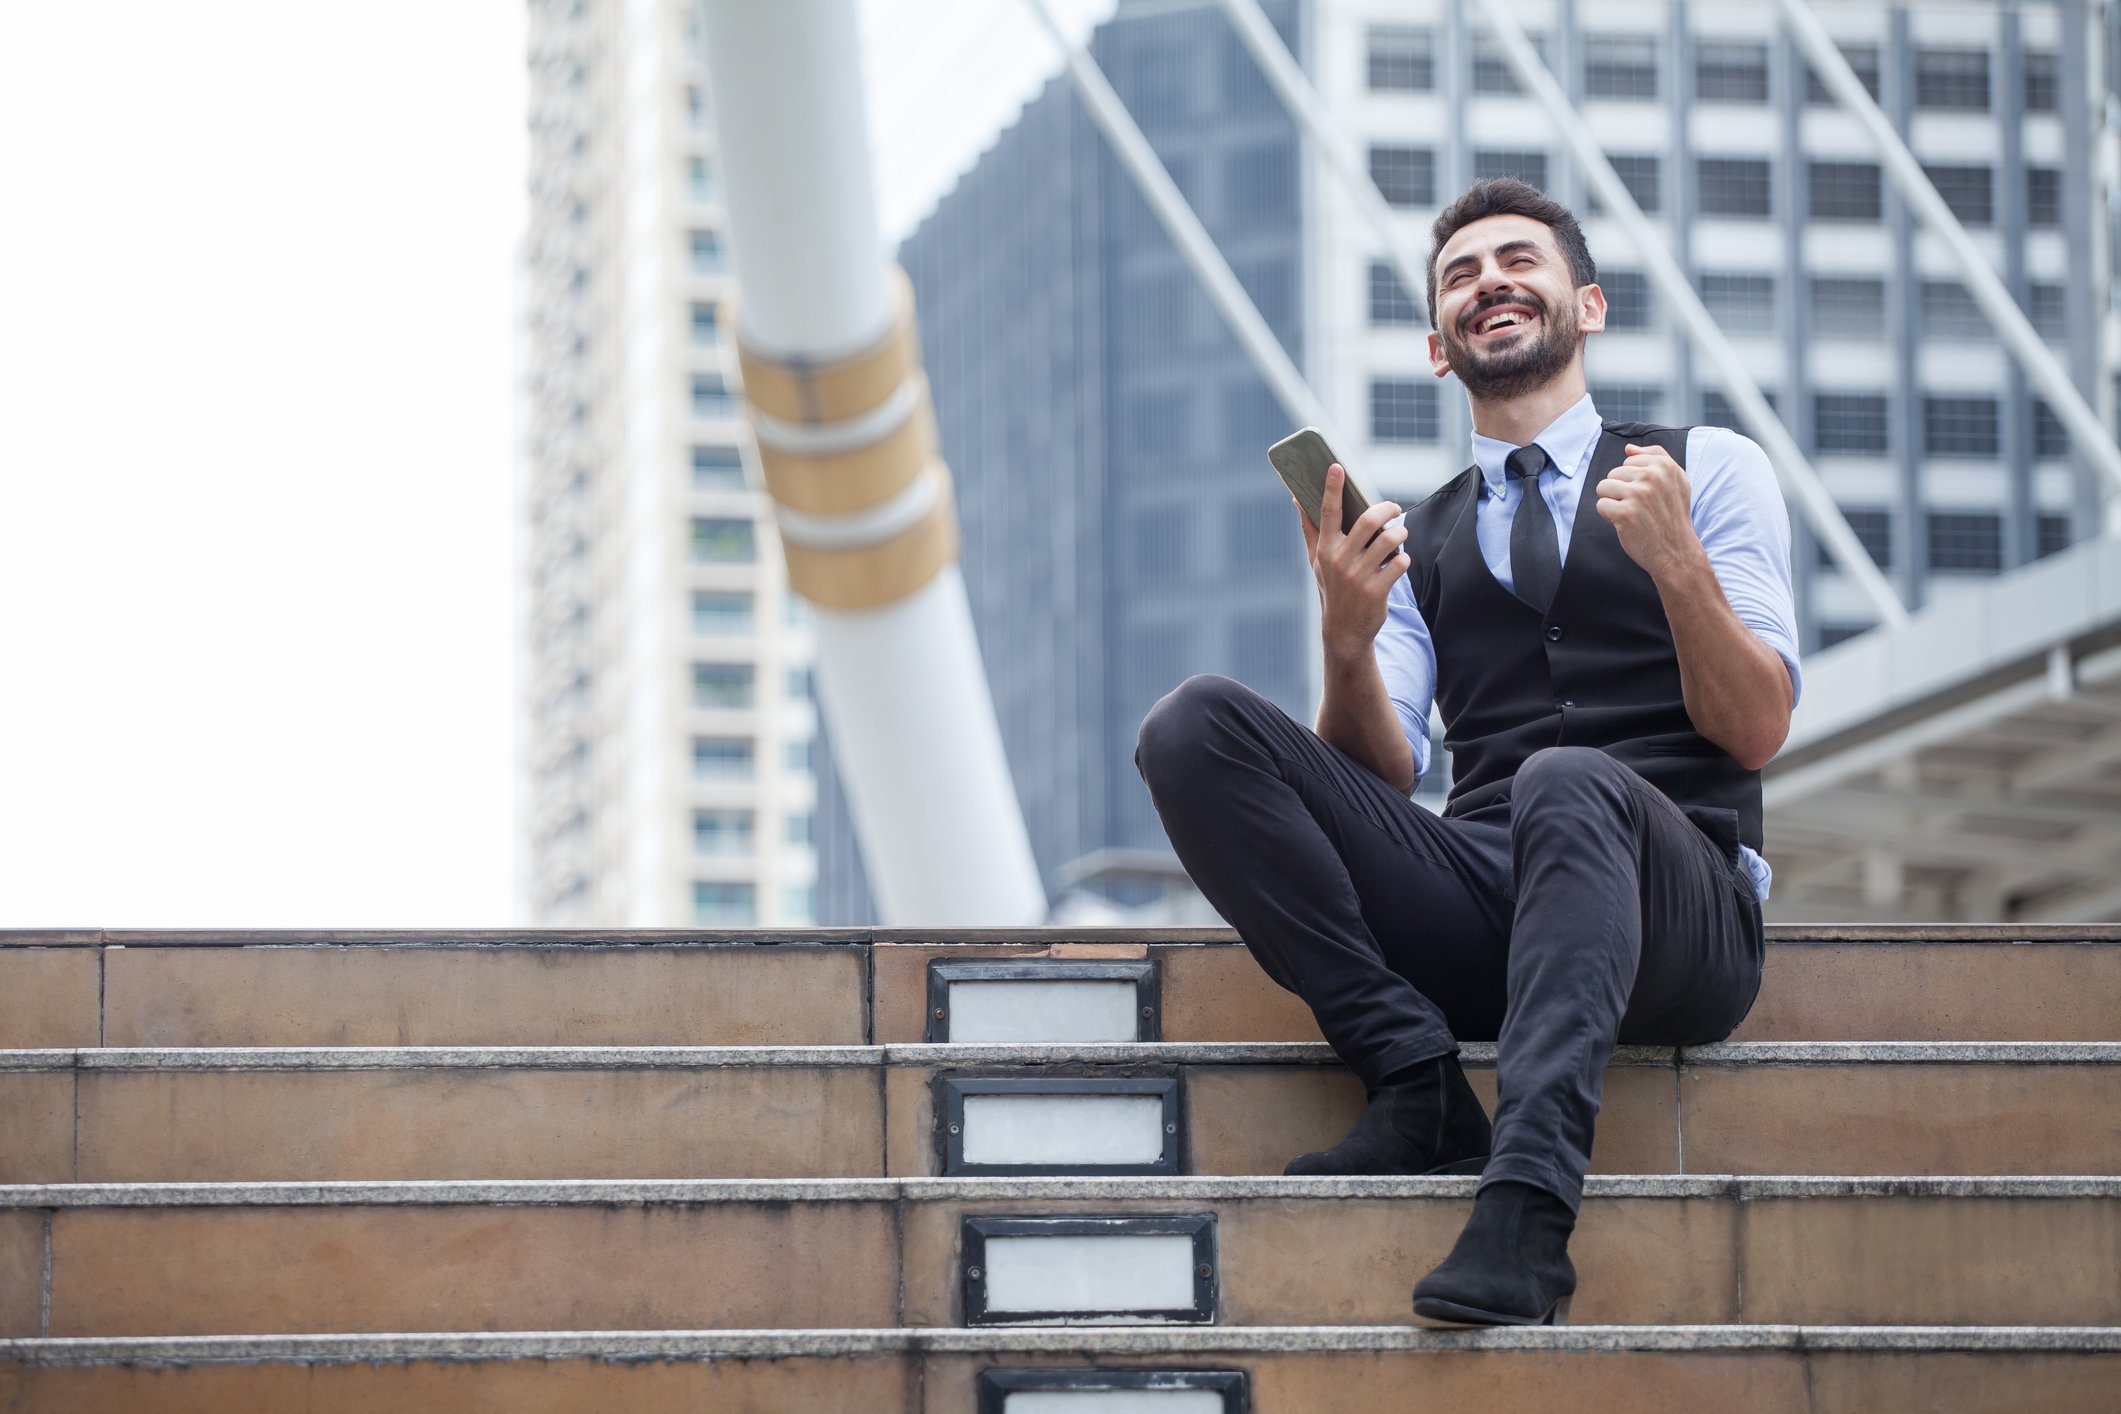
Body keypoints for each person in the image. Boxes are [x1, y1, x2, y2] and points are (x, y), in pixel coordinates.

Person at [1134, 178, 1801, 1327]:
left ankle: (1529, 1212)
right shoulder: (1410, 540)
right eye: (1461, 274)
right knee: (1191, 725)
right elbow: (1375, 779)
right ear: (1438, 349)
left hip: (1680, 913)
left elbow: (1755, 727)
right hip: (1490, 902)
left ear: (1585, 305)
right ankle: (1414, 1075)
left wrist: (1679, 564)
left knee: (1568, 779)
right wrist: (1346, 641)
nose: (1490, 279)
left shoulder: (1711, 469)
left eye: (1519, 260)